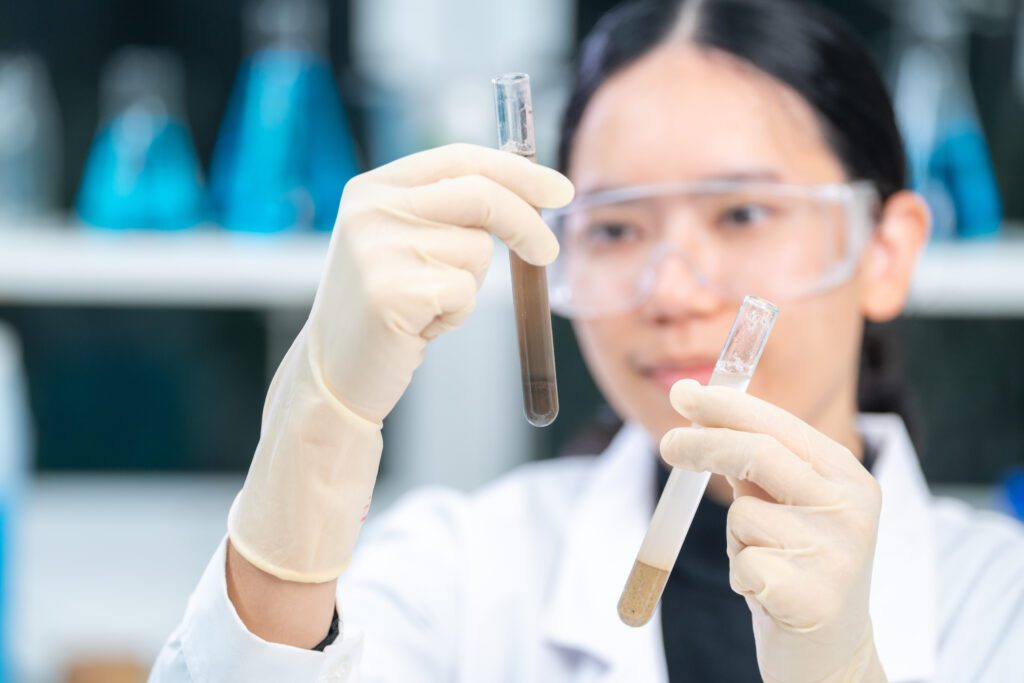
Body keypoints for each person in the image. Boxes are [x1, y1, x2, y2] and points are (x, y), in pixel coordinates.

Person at [150, 0, 1024, 681]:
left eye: (743, 213)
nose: (669, 292)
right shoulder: (465, 572)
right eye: (614, 228)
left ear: (885, 251)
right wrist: (314, 430)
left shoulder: (1001, 600)